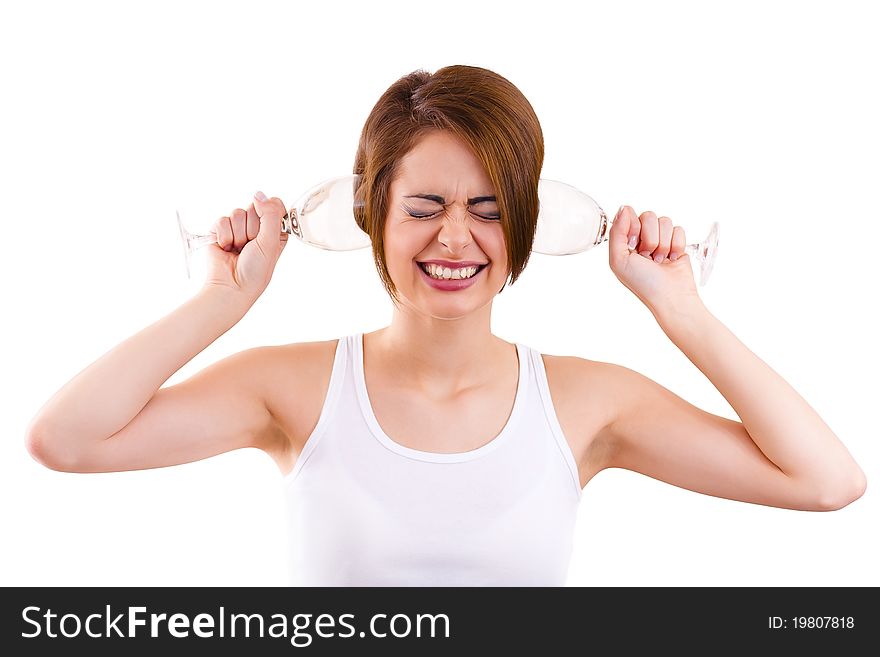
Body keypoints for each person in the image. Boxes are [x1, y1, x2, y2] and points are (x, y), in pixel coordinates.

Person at [24, 65, 866, 586]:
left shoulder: (587, 402)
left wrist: (681, 311)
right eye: (424, 206)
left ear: (529, 224)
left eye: (490, 210)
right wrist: (219, 302)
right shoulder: (291, 388)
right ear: (371, 215)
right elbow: (64, 439)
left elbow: (827, 481)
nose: (456, 237)